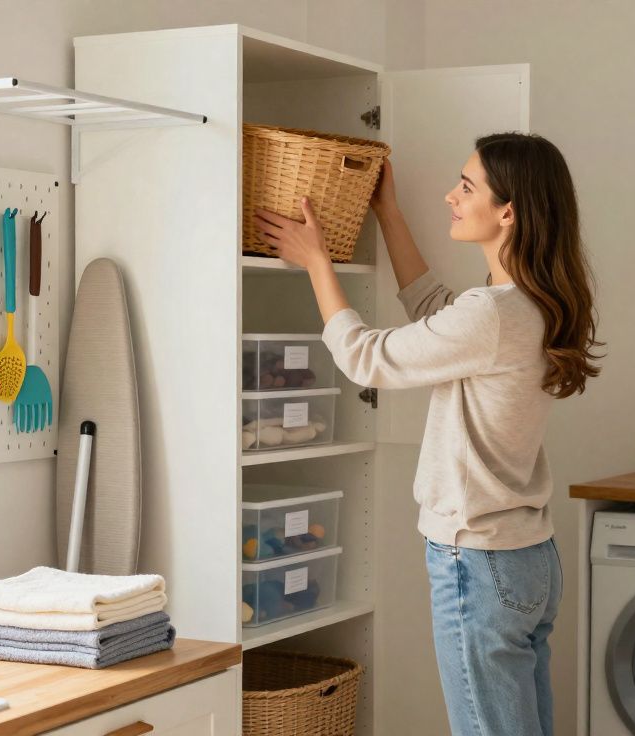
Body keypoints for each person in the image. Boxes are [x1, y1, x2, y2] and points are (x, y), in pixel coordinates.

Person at [252, 132, 601, 736]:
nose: (451, 196)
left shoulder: (491, 314)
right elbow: (438, 308)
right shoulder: (537, 304)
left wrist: (317, 264)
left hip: (479, 559)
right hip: (528, 558)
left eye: (466, 187)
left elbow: (366, 359)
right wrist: (388, 212)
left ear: (508, 211)